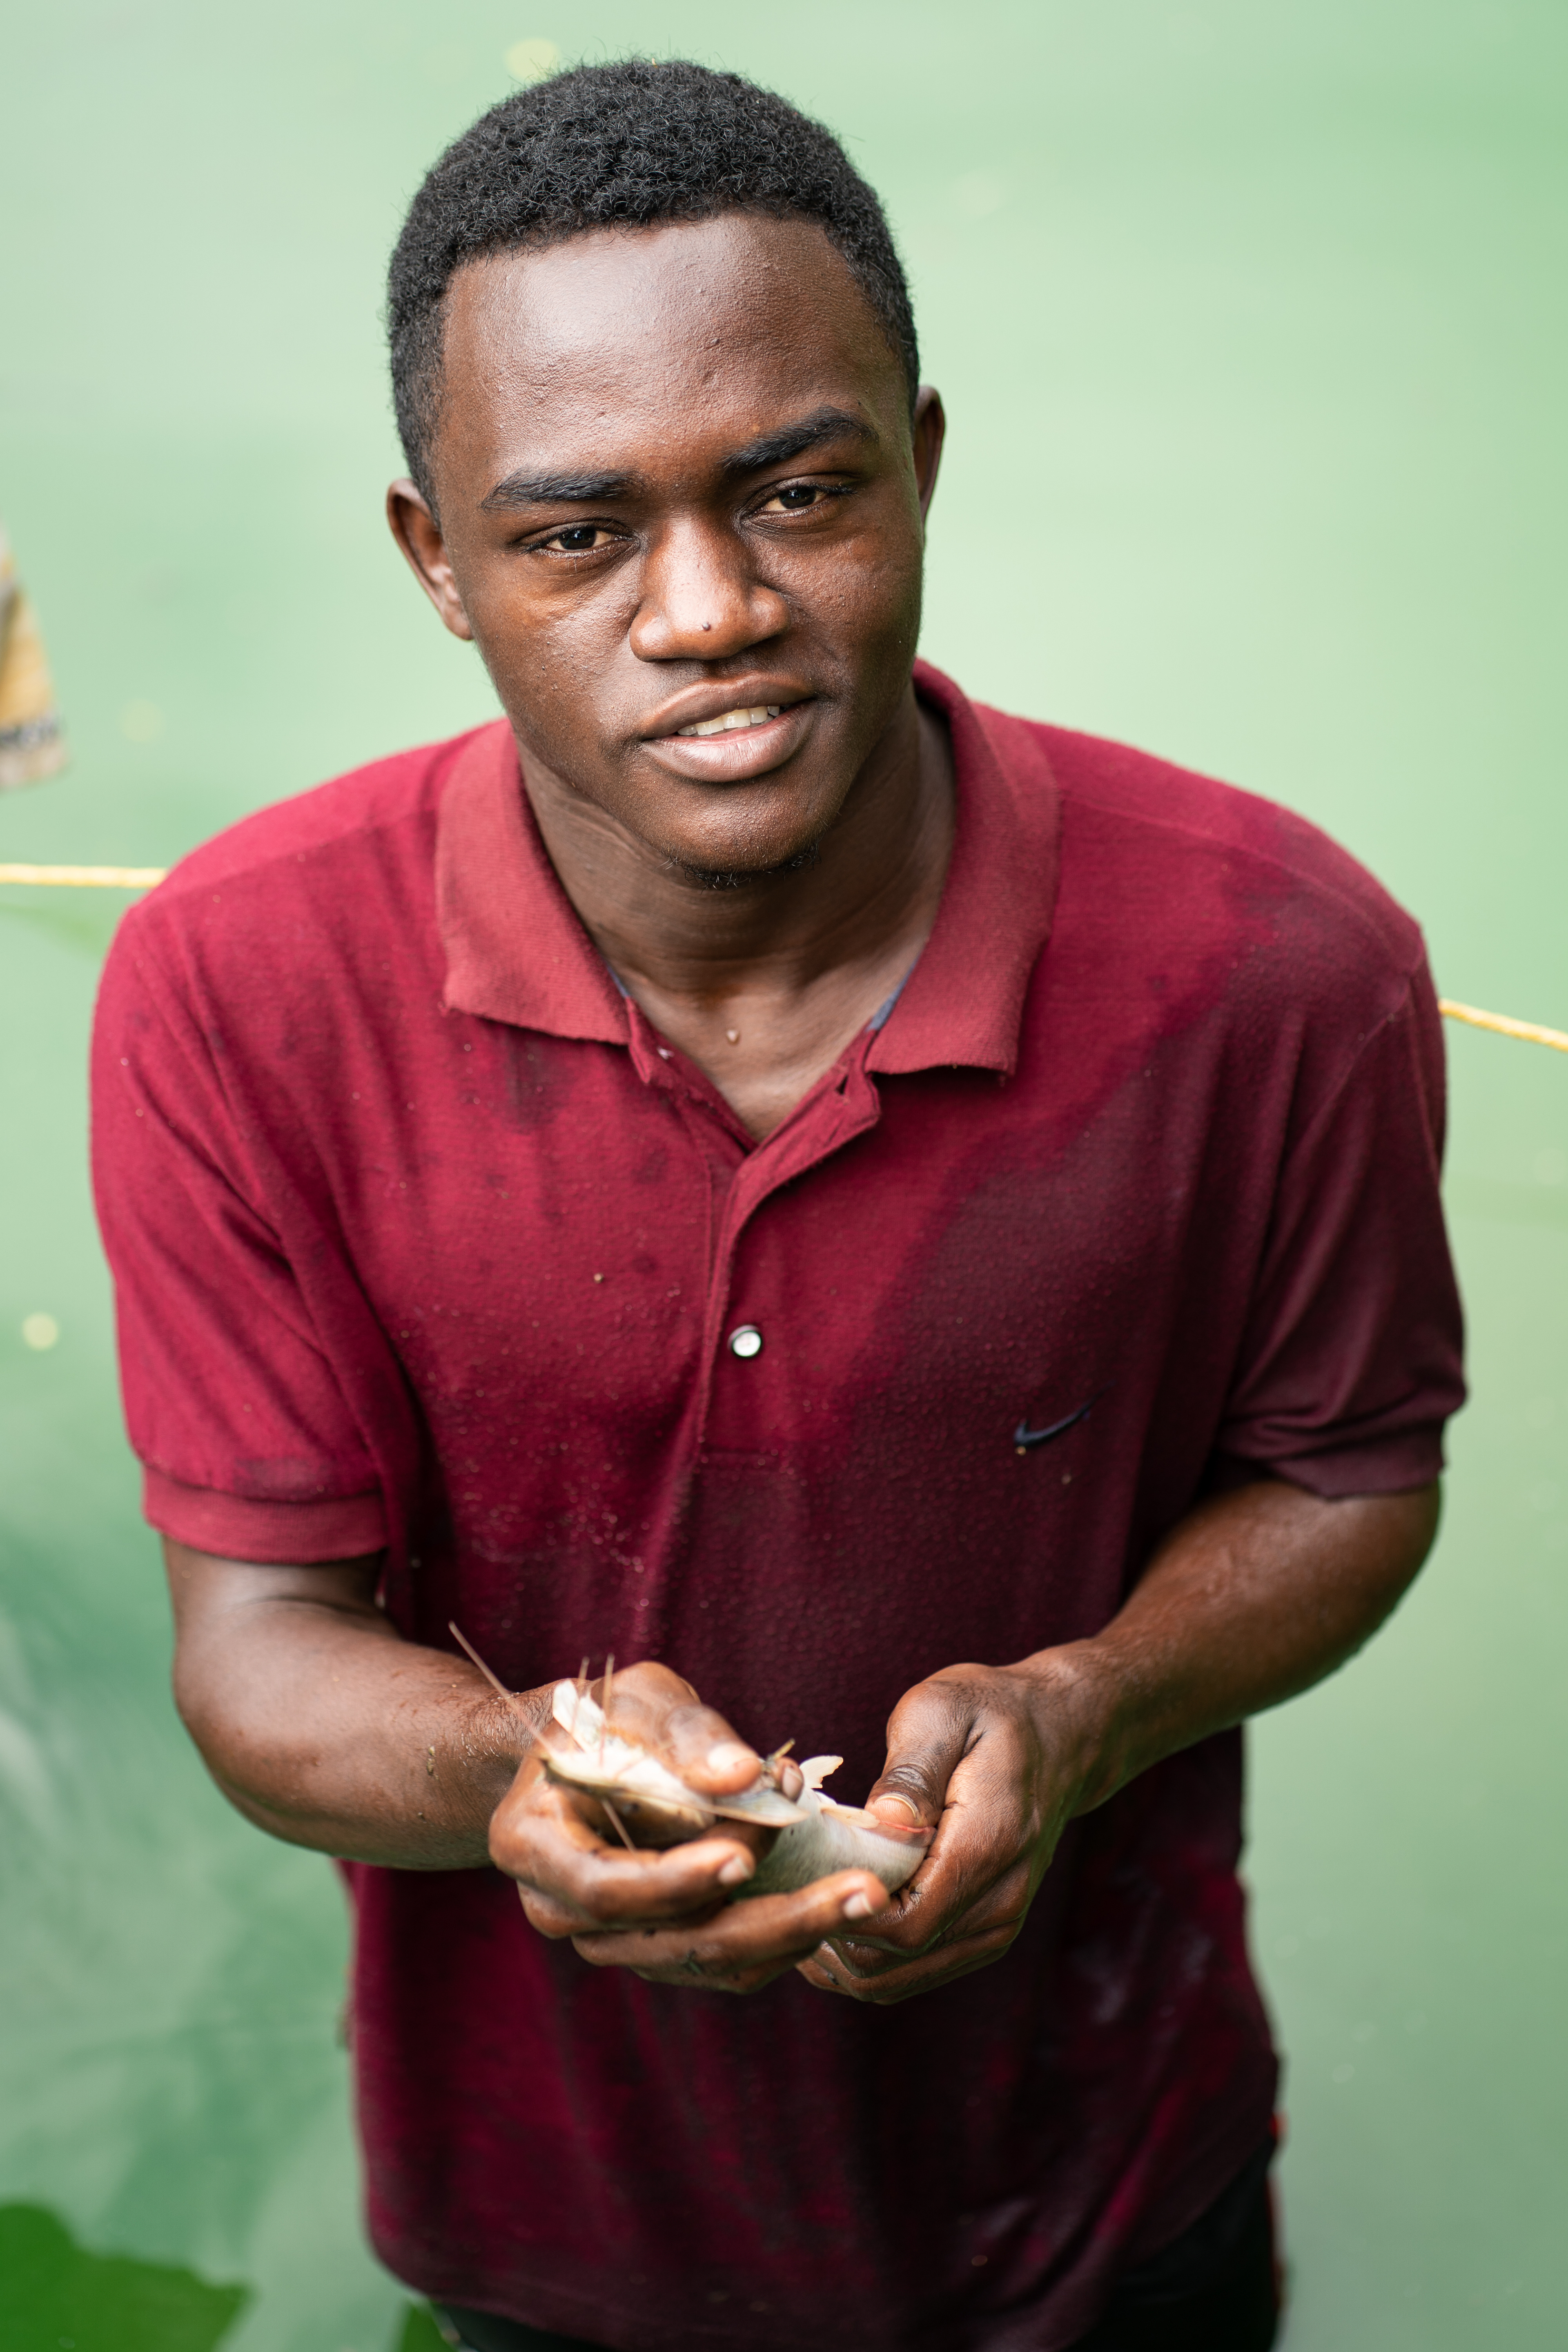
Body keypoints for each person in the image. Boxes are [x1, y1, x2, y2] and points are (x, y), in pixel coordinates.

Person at [91, 60, 1464, 2352]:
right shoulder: (236, 987)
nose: (710, 609)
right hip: (545, 2227)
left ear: (922, 460)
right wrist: (525, 1777)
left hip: (1101, 2195)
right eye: (573, 534)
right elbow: (255, 1664)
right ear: (439, 563)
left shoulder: (1278, 968)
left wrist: (1092, 1705)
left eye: (797, 490)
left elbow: (1353, 1474)